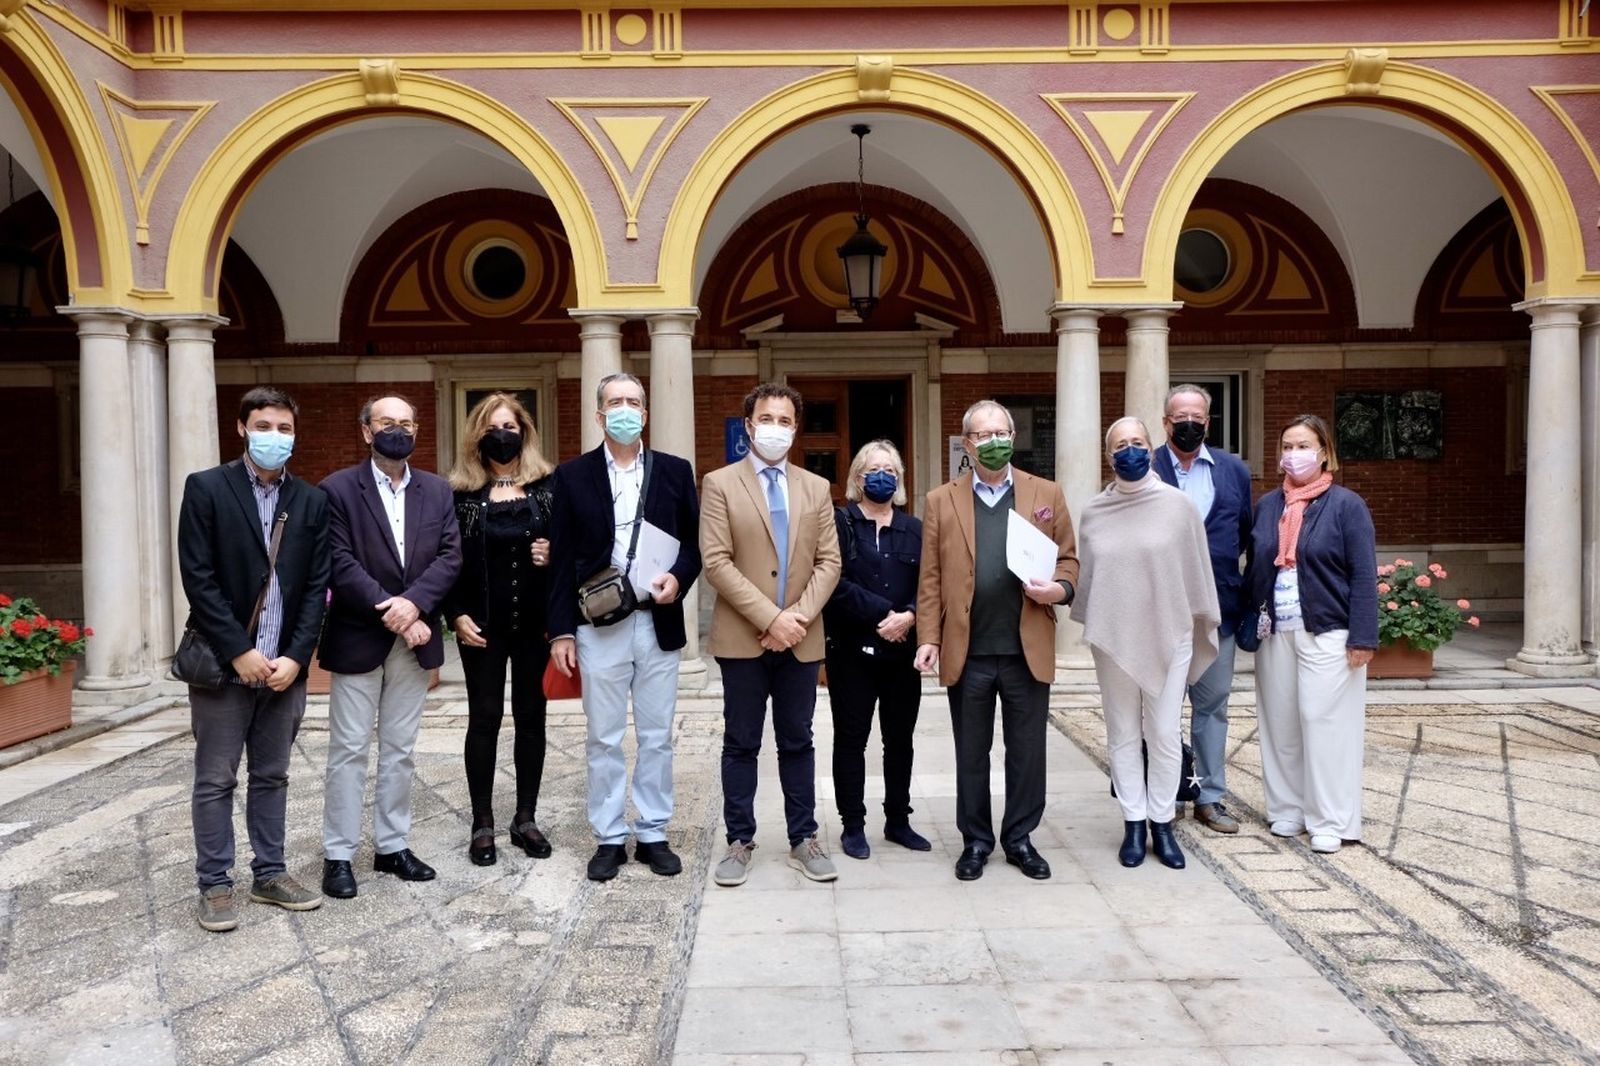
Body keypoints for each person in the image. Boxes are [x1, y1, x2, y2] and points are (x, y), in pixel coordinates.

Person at [177, 386, 331, 932]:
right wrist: (240, 651)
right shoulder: (207, 489)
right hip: (225, 666)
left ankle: (270, 874)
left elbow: (316, 587)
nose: (275, 436)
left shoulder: (311, 500)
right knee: (216, 779)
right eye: (264, 426)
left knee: (273, 775)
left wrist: (296, 657)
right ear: (241, 427)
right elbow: (198, 578)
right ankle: (215, 883)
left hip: (283, 670)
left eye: (284, 428)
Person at [548, 373, 703, 882]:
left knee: (657, 736)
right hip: (598, 628)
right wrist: (561, 632)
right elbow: (562, 558)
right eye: (615, 402)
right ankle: (610, 836)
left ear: (646, 412)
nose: (625, 409)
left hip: (655, 621)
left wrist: (677, 581)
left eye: (633, 402)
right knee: (604, 737)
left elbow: (693, 548)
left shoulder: (676, 472)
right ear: (599, 416)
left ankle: (654, 832)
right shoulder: (571, 477)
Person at [914, 399, 1078, 882]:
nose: (993, 442)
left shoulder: (1045, 493)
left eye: (1001, 432)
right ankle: (976, 841)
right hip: (969, 648)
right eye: (982, 435)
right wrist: (929, 637)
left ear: (1013, 436)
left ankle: (1020, 839)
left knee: (1027, 752)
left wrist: (1059, 589)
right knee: (971, 753)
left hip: (1026, 644)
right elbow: (930, 578)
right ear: (967, 444)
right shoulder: (940, 500)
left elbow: (1069, 561)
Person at [318, 394, 462, 899]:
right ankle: (338, 854)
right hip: (360, 637)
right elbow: (338, 562)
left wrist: (414, 606)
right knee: (349, 750)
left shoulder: (437, 490)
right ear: (366, 431)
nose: (396, 430)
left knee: (399, 751)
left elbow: (449, 556)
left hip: (413, 641)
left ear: (417, 430)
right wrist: (396, 612)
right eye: (386, 422)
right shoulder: (336, 490)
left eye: (405, 423)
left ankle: (392, 846)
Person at [700, 382, 841, 887]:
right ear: (749, 423)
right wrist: (770, 618)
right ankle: (739, 840)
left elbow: (829, 562)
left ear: (795, 428)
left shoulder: (816, 487)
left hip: (800, 639)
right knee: (741, 742)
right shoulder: (719, 484)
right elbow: (716, 562)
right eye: (767, 418)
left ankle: (803, 837)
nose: (776, 428)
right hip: (743, 639)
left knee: (798, 740)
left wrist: (794, 620)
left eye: (785, 420)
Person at [1074, 416, 1221, 870]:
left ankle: (1162, 822)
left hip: (1168, 632)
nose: (1129, 450)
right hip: (1114, 636)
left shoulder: (1178, 507)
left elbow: (1195, 574)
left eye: (1137, 442)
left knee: (1162, 732)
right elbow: (1092, 578)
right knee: (1121, 734)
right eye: (1120, 444)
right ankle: (1133, 822)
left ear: (1152, 447)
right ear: (1108, 454)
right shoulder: (1094, 511)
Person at [1243, 414, 1377, 855]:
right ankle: (1287, 810)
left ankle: (1331, 819)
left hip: (1328, 631)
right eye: (1287, 445)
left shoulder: (1346, 505)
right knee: (1280, 723)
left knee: (1324, 724)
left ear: (1323, 452)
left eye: (1303, 446)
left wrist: (1363, 636)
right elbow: (1255, 566)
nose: (1294, 454)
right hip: (1276, 629)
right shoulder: (1267, 506)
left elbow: (1362, 574)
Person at [442, 393, 556, 868]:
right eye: (493, 426)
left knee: (532, 718)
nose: (502, 434)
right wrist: (455, 614)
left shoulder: (548, 488)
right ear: (478, 436)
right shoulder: (459, 494)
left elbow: (570, 553)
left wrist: (550, 555)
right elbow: (443, 560)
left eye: (510, 425)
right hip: (481, 626)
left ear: (524, 432)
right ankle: (482, 822)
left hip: (534, 626)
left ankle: (525, 818)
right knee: (484, 718)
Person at [1153, 384, 1253, 835]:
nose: (1188, 424)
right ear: (1166, 422)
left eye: (1197, 416)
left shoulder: (1234, 471)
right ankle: (1169, 793)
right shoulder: (1146, 467)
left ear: (1208, 423)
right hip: (1160, 613)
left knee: (1212, 706)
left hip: (1218, 612)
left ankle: (1209, 796)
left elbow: (1246, 535)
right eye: (1179, 417)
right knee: (1161, 707)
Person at [823, 440, 928, 860]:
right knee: (852, 739)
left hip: (903, 654)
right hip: (851, 651)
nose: (881, 475)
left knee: (899, 739)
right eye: (872, 469)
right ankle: (852, 824)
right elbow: (832, 582)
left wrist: (912, 616)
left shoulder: (915, 529)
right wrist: (887, 613)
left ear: (899, 479)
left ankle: (898, 820)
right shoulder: (839, 523)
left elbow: (933, 583)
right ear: (857, 478)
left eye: (889, 469)